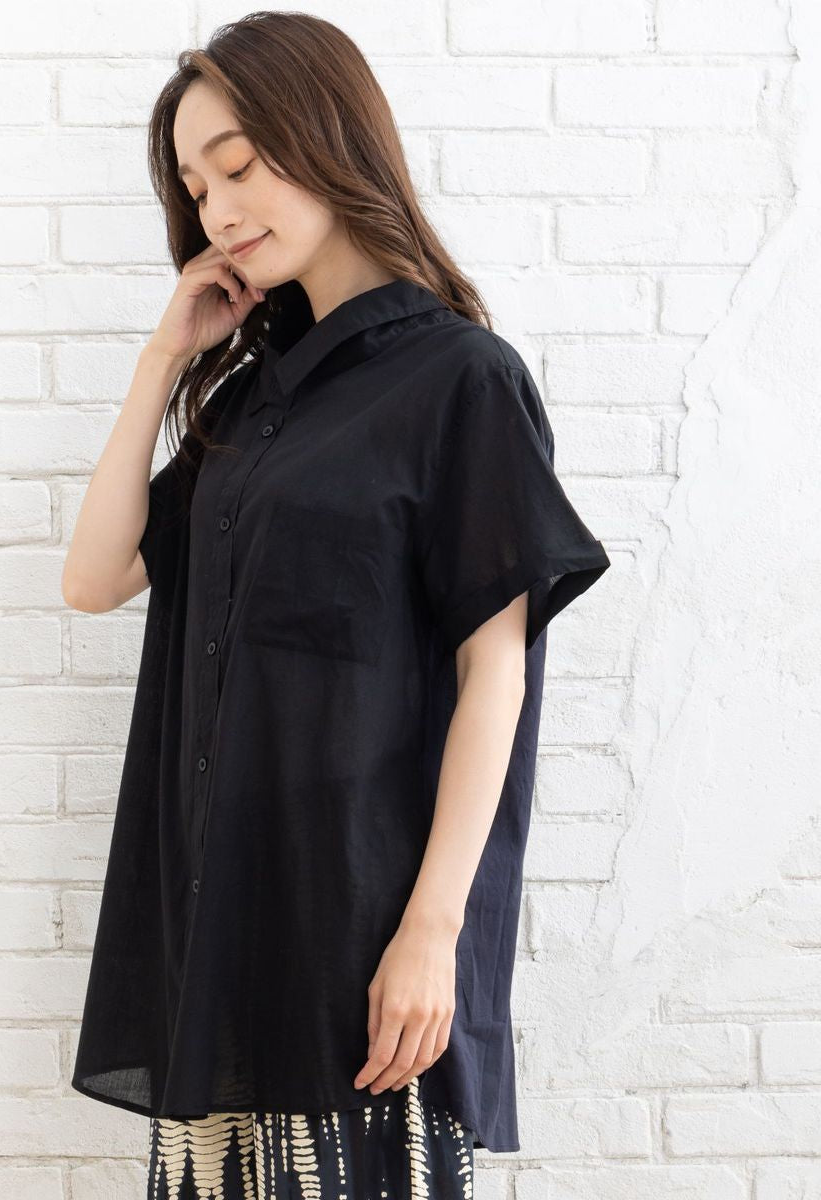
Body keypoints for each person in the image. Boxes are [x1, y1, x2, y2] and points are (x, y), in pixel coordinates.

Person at [63, 12, 611, 1199]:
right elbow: (94, 578)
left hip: (365, 938)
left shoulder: (461, 378)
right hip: (220, 934)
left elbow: (495, 671)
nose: (217, 210)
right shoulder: (254, 402)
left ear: (327, 138)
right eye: (195, 188)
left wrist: (432, 933)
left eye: (238, 166)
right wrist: (162, 363)